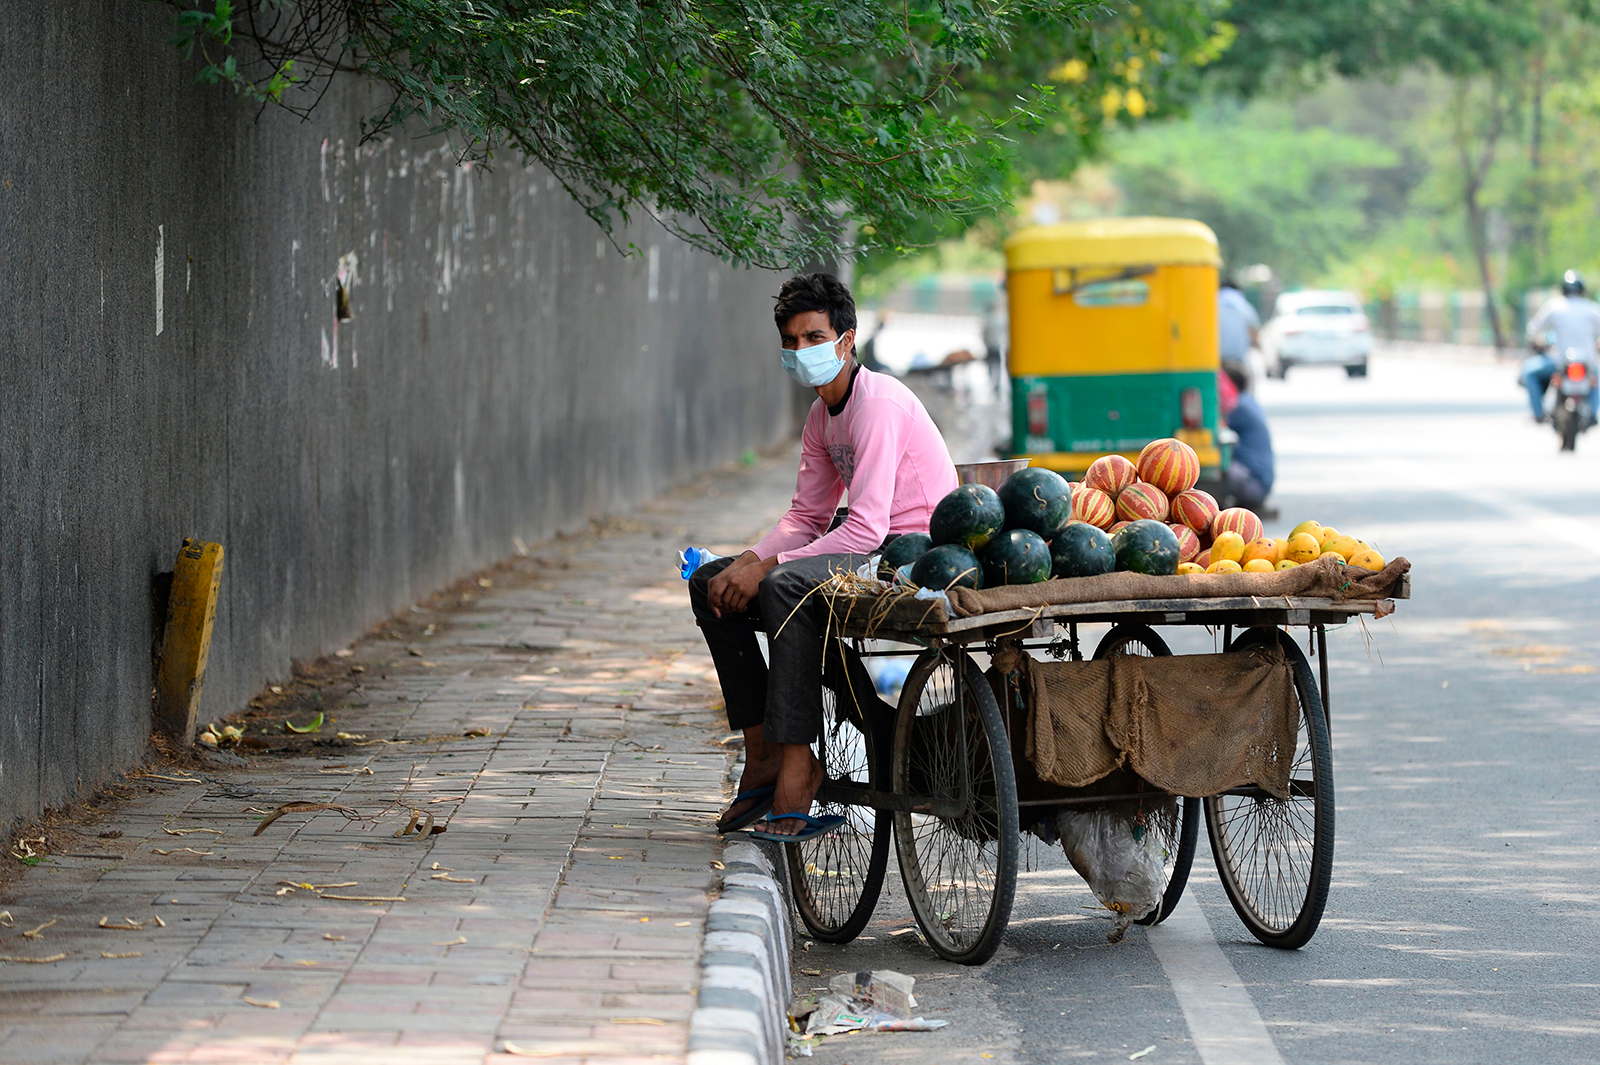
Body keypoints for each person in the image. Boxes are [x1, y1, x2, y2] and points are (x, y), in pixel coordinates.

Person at [689, 273, 958, 841]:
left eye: (814, 338)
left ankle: (796, 765)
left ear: (847, 338)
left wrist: (768, 570)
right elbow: (806, 517)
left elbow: (866, 526)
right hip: (868, 548)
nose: (801, 351)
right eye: (790, 342)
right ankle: (761, 749)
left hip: (912, 556)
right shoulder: (820, 417)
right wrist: (749, 559)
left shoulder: (878, 404)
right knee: (711, 583)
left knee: (782, 587)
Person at [1521, 270, 1600, 422]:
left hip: (1559, 361)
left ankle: (1538, 414)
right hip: (1587, 361)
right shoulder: (1591, 308)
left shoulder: (1554, 306)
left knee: (1529, 373)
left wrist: (1536, 342)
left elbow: (1533, 329)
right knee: (1595, 378)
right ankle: (1593, 414)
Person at [1220, 361, 1274, 510]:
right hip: (1259, 481)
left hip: (1255, 484)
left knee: (1211, 471)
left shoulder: (1239, 407)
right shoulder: (1248, 401)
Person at [1217, 276, 1260, 363]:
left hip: (1215, 361)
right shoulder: (1244, 306)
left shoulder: (1210, 306)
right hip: (1239, 360)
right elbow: (1254, 334)